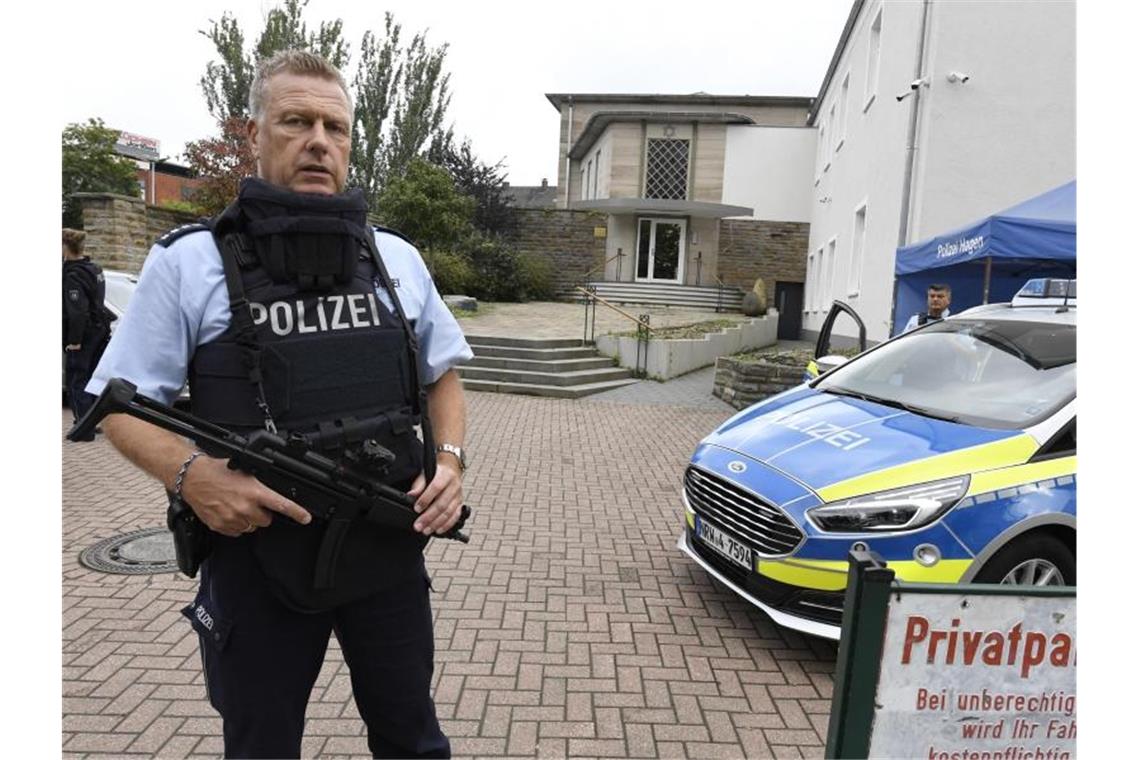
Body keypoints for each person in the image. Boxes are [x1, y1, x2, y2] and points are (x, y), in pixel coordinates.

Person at [87, 50, 472, 758]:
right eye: (296, 121)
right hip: (256, 559)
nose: (319, 140)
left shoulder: (396, 259)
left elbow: (442, 372)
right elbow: (120, 405)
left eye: (336, 126)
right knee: (261, 745)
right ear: (256, 134)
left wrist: (448, 461)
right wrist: (190, 476)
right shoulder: (190, 261)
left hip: (386, 551)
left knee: (413, 738)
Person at [62, 227, 112, 439]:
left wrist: (74, 341)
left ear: (65, 247)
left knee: (77, 379)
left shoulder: (73, 274)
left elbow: (77, 311)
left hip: (84, 334)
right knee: (91, 378)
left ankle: (83, 428)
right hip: (100, 329)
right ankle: (92, 422)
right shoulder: (95, 269)